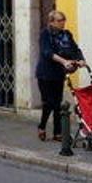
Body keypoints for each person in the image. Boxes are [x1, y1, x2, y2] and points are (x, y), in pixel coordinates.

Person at [35, 10, 85, 142]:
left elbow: (75, 49)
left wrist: (80, 59)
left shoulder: (66, 34)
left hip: (59, 74)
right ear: (51, 21)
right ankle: (42, 126)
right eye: (60, 20)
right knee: (48, 102)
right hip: (45, 73)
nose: (63, 23)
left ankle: (57, 133)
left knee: (58, 104)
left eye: (64, 20)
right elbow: (47, 52)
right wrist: (64, 61)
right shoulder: (45, 34)